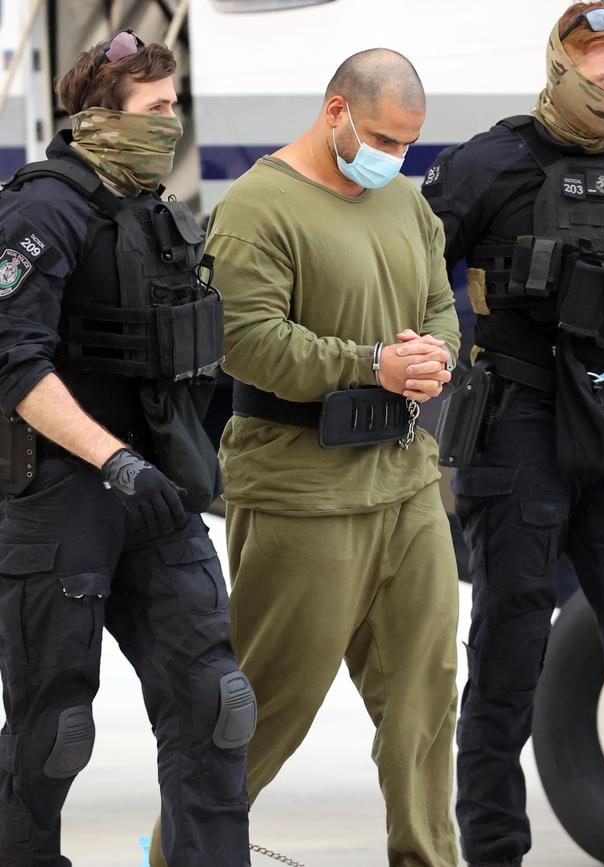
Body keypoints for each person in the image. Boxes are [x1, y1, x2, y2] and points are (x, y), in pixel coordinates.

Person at [149, 46, 462, 867]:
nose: (395, 160)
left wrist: (435, 356)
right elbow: (246, 342)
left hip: (406, 483)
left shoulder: (404, 202)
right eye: (385, 139)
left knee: (426, 705)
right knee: (264, 707)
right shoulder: (260, 205)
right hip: (302, 493)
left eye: (409, 145)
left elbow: (438, 297)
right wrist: (371, 364)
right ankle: (181, 853)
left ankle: (428, 855)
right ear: (336, 113)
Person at [0, 29, 255, 867]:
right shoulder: (44, 208)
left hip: (155, 494)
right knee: (55, 727)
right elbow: (13, 363)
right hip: (64, 495)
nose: (171, 123)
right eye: (156, 109)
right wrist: (111, 457)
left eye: (174, 106)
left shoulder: (154, 213)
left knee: (218, 702)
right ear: (101, 116)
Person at [422, 4, 604, 865]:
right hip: (519, 428)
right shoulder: (490, 163)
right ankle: (493, 851)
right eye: (602, 80)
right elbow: (405, 271)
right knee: (510, 655)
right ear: (560, 68)